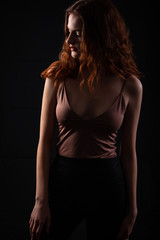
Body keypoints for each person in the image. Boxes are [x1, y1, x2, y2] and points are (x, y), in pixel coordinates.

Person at [29, 0, 143, 239]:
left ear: (101, 36)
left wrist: (132, 210)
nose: (69, 41)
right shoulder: (57, 78)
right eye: (68, 33)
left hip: (108, 185)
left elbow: (129, 152)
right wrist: (41, 201)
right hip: (63, 180)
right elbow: (44, 142)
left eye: (78, 35)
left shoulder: (130, 85)